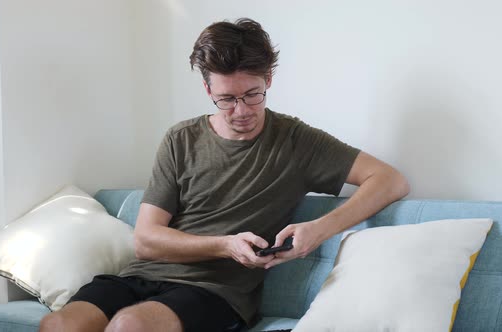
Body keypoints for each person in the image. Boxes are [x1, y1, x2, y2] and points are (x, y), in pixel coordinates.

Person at [39, 18, 409, 332]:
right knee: (59, 325)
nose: (242, 110)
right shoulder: (181, 138)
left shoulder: (296, 141)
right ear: (207, 88)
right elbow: (146, 241)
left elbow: (390, 180)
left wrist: (318, 229)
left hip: (215, 292)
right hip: (142, 274)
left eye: (253, 94)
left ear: (269, 79)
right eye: (226, 99)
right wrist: (225, 243)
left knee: (129, 326)